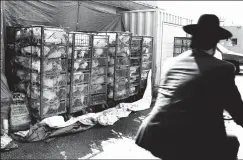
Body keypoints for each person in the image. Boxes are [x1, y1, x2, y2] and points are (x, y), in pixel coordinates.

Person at [135, 14, 243, 160]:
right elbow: (238, 111)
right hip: (187, 140)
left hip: (153, 134)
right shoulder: (223, 68)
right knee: (231, 143)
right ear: (215, 43)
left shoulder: (171, 63)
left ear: (193, 39)